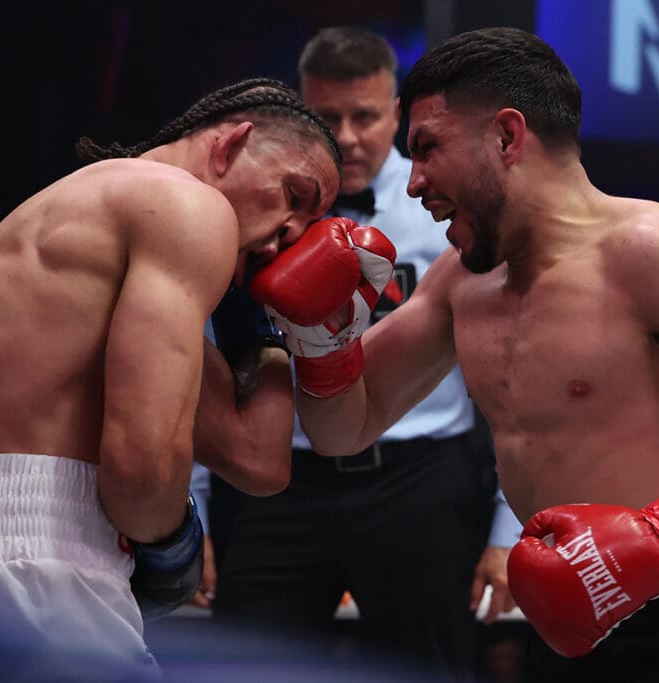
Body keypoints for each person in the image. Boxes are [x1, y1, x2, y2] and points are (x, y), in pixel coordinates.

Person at [251, 28, 659, 682]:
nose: (415, 181)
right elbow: (342, 429)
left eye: (428, 148)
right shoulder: (460, 281)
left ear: (507, 136)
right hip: (559, 627)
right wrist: (323, 343)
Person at [0, 77, 342, 675]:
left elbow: (258, 460)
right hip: (42, 586)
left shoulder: (72, 225)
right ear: (234, 142)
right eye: (294, 194)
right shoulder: (187, 205)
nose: (292, 233)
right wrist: (172, 543)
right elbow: (139, 475)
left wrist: (262, 318)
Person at [207, 27, 521, 681]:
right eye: (328, 117)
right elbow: (206, 360)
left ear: (396, 113)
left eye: (365, 116)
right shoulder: (261, 206)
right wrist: (193, 510)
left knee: (427, 671)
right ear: (300, 110)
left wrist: (507, 530)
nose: (347, 137)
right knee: (239, 667)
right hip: (283, 477)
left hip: (421, 480)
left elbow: (510, 374)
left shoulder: (448, 205)